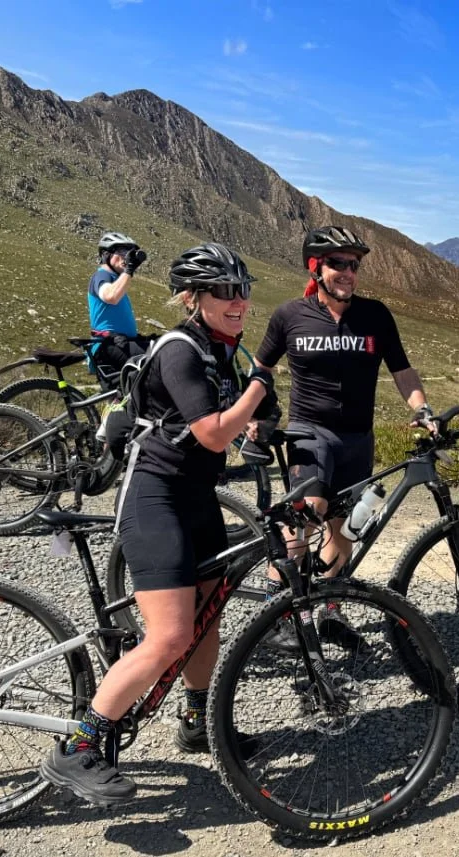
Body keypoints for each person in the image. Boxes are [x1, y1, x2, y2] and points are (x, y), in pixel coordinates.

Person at [41, 242, 276, 805]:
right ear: (194, 299)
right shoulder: (180, 349)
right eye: (224, 291)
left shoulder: (223, 351)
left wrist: (266, 426)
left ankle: (195, 722)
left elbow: (242, 426)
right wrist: (259, 388)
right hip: (155, 497)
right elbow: (213, 433)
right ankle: (75, 749)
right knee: (170, 633)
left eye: (242, 290)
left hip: (196, 496)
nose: (238, 301)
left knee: (207, 618)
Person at [253, 226, 434, 589]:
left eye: (354, 265)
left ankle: (326, 607)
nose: (348, 273)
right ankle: (277, 601)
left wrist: (421, 408)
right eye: (338, 263)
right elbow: (261, 368)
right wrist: (257, 414)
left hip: (357, 438)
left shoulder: (375, 316)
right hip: (309, 433)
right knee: (306, 514)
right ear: (315, 267)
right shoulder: (290, 316)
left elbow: (402, 369)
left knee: (347, 528)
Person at [88, 231, 151, 375]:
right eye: (122, 251)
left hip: (120, 344)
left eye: (129, 252)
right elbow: (110, 296)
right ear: (106, 254)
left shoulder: (115, 278)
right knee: (159, 356)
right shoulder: (101, 275)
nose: (126, 256)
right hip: (107, 347)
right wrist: (129, 270)